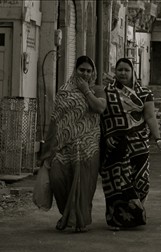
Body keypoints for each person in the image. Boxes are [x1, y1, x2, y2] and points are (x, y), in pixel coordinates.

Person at [40, 55, 106, 233]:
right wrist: (47, 151)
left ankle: (77, 220)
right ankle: (67, 214)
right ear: (75, 70)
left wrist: (86, 91)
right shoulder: (63, 90)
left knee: (82, 185)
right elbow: (55, 121)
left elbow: (99, 108)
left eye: (88, 70)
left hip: (87, 146)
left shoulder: (97, 90)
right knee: (57, 179)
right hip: (63, 146)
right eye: (81, 70)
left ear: (93, 73)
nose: (85, 73)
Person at [100, 58, 161, 231]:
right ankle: (116, 219)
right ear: (115, 72)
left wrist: (158, 138)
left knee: (141, 182)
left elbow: (150, 117)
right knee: (116, 182)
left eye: (126, 70)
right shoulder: (106, 92)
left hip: (139, 145)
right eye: (120, 70)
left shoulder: (144, 93)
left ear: (133, 73)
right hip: (115, 145)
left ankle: (135, 214)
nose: (123, 73)